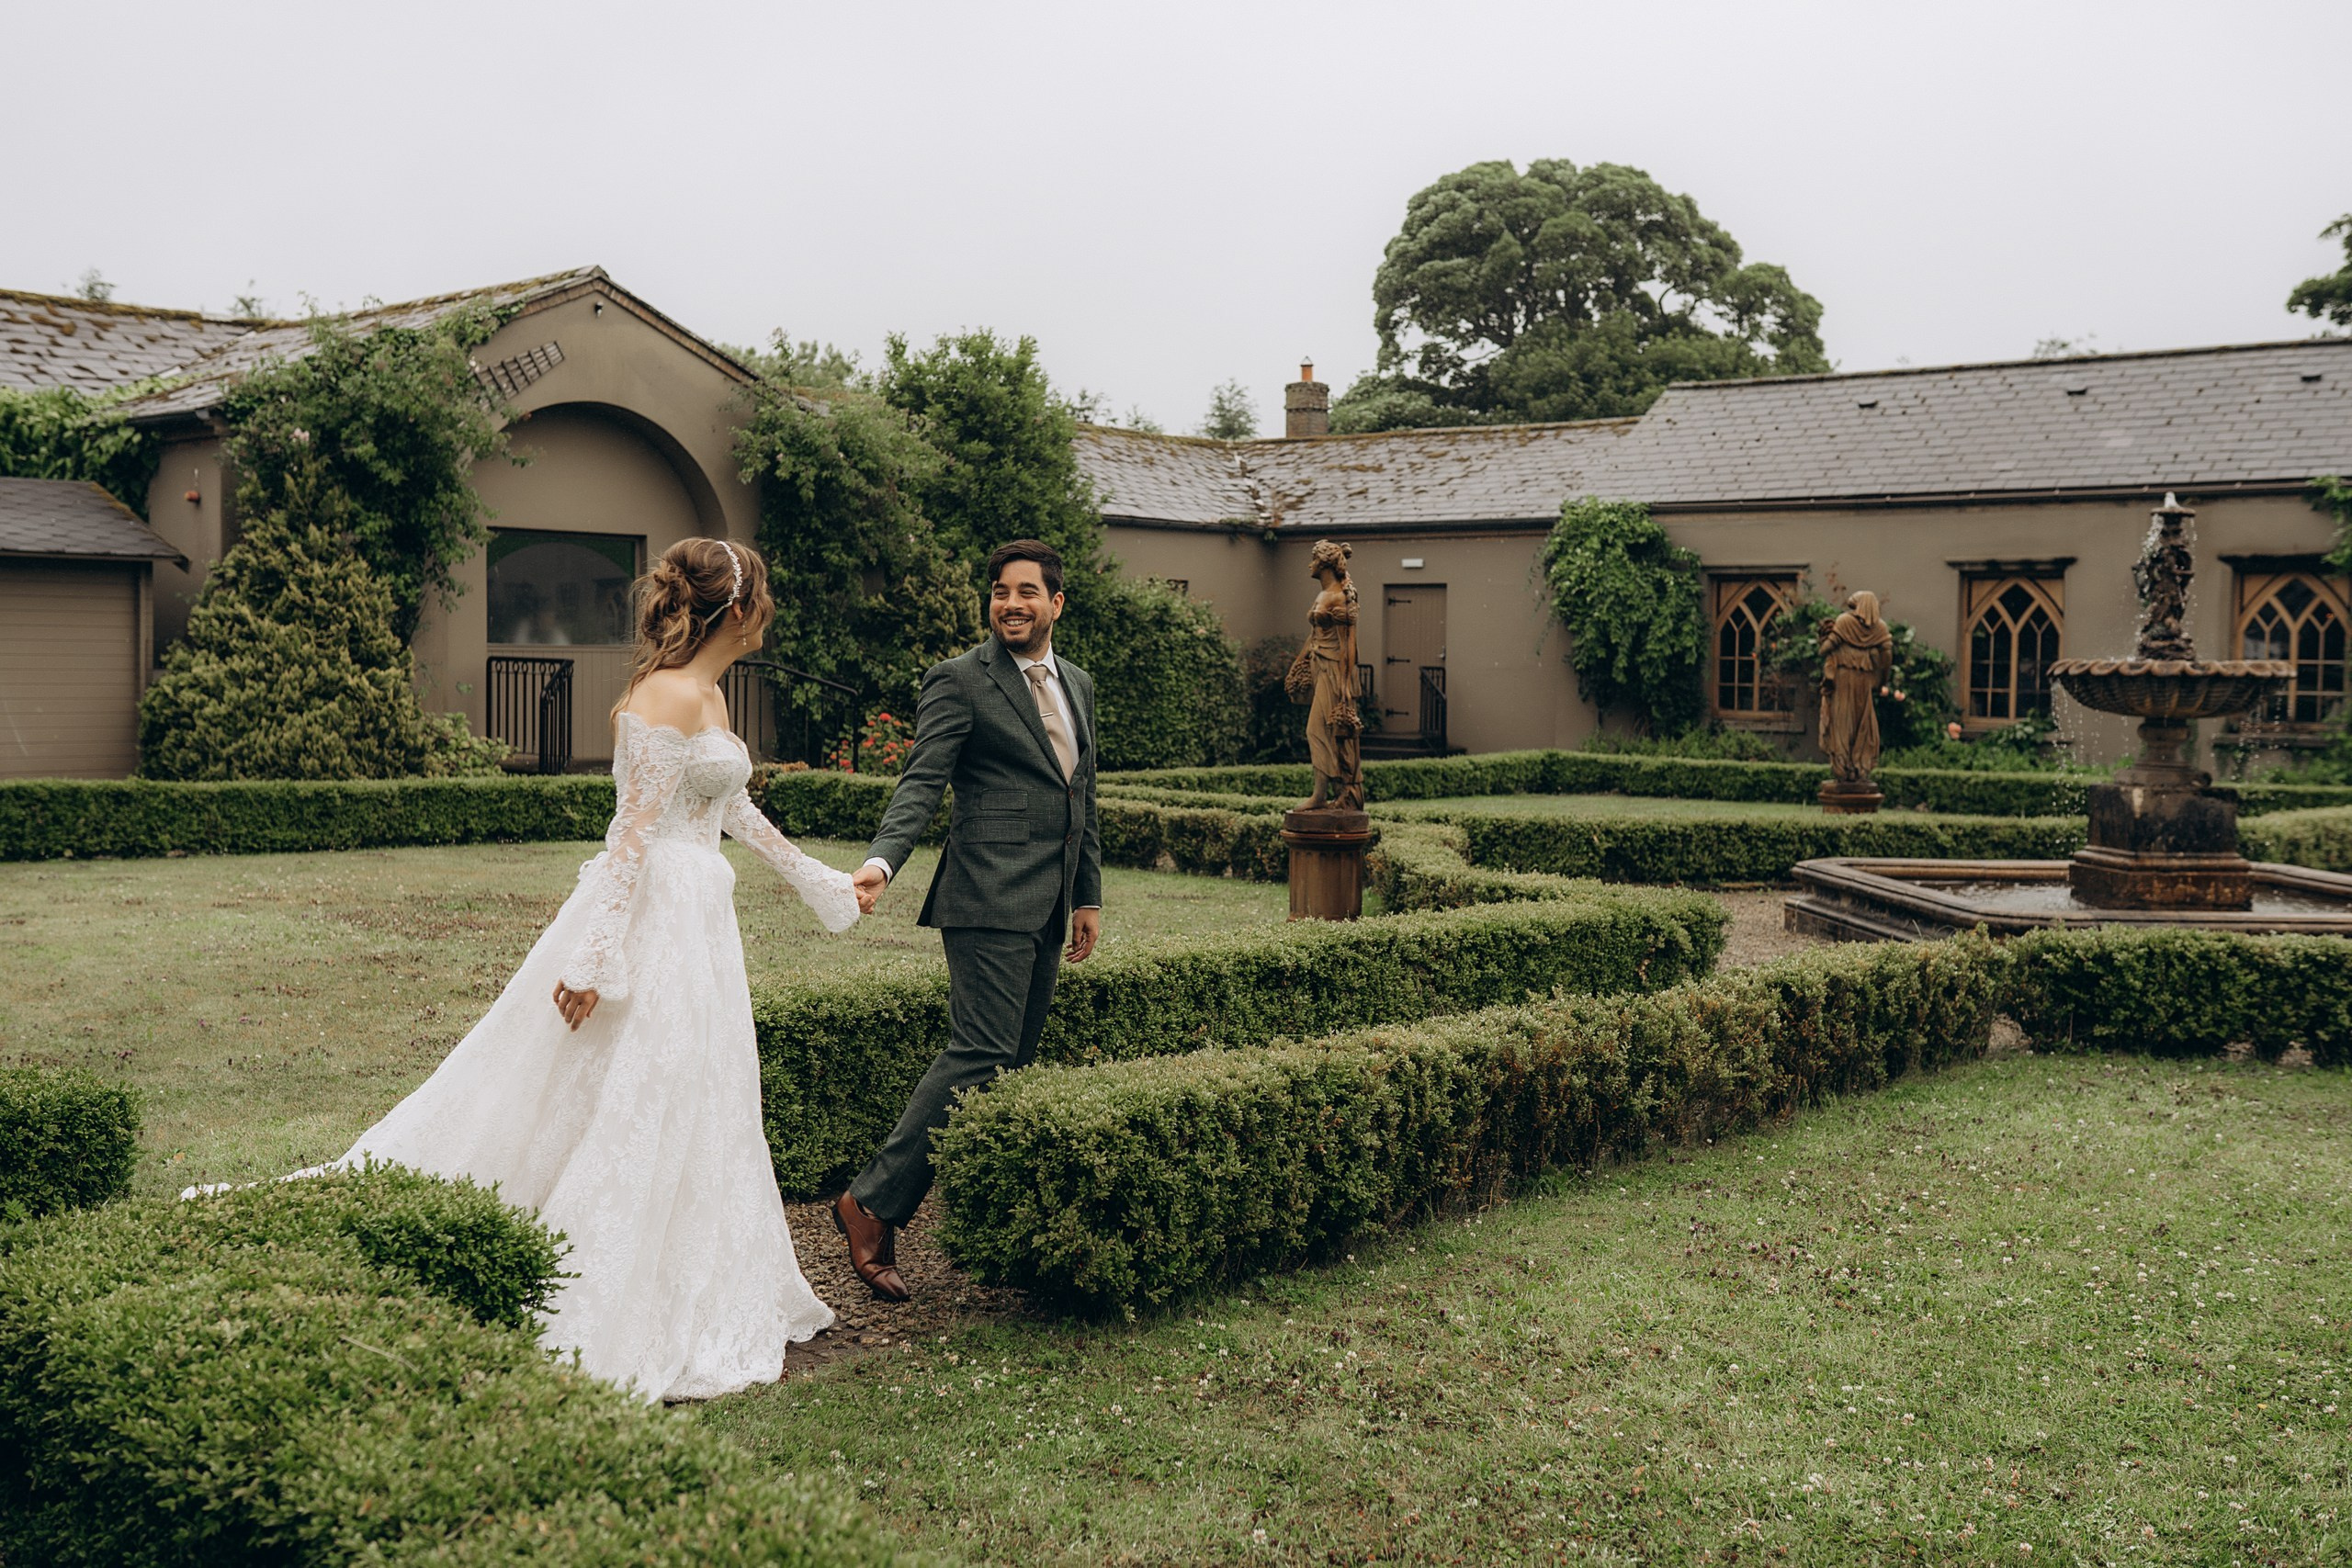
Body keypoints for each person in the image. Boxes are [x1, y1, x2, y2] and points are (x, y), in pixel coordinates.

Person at [254, 538, 868, 1402]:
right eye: (764, 598)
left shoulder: (710, 693)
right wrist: (594, 958)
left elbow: (730, 809)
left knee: (701, 1088)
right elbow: (631, 836)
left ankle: (693, 1277)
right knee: (640, 1087)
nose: (769, 613)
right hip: (656, 915)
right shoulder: (665, 695)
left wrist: (825, 884)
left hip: (701, 918)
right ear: (739, 609)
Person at [836, 538, 1102, 1301]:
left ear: (1056, 602)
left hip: (1048, 901)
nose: (1010, 604)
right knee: (981, 1051)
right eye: (999, 592)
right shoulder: (959, 679)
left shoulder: (1079, 684)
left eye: (1026, 591)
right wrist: (883, 861)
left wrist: (1086, 896)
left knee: (1013, 1064)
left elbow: (1083, 794)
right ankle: (870, 1204)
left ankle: (990, 1222)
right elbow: (922, 781)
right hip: (984, 894)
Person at [1299, 538, 1364, 812]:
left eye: (1314, 559)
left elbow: (1348, 644)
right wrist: (1299, 661)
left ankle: (1322, 795)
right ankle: (1334, 793)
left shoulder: (1338, 597)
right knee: (1327, 731)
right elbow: (1314, 634)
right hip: (1319, 666)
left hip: (1334, 671)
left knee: (1319, 730)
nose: (1310, 565)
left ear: (1325, 564)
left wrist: (1345, 685)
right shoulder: (1324, 594)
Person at [1818, 589, 1894, 783]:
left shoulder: (1844, 621)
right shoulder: (1880, 627)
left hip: (1843, 678)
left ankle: (1842, 767)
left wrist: (1823, 640)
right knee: (1863, 722)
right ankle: (1860, 766)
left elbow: (1826, 649)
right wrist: (1882, 681)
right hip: (1865, 680)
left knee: (1842, 721)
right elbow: (1887, 657)